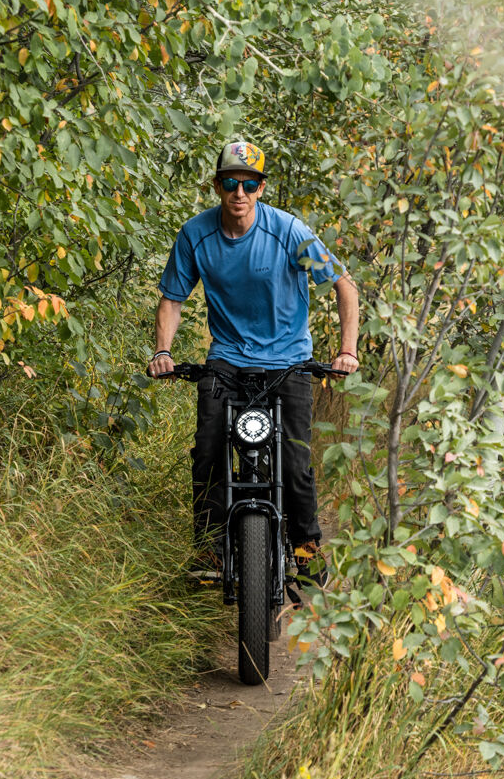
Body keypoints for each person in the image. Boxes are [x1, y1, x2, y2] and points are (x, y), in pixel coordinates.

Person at [148, 139, 360, 585]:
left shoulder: (289, 233)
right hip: (226, 360)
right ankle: (210, 550)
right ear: (217, 186)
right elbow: (171, 300)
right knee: (207, 452)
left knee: (295, 462)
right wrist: (163, 352)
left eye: (249, 184)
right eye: (230, 182)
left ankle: (306, 550)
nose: (239, 193)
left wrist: (347, 351)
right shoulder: (196, 235)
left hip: (289, 362)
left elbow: (343, 285)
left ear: (261, 188)